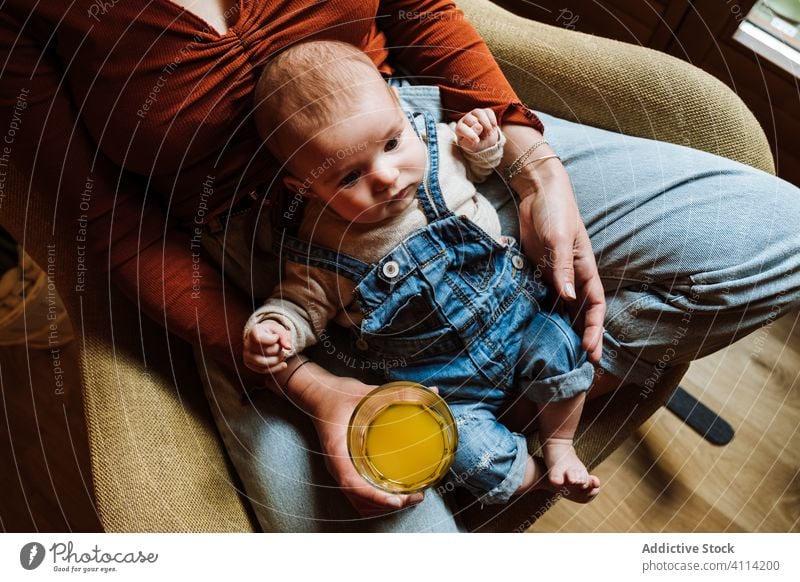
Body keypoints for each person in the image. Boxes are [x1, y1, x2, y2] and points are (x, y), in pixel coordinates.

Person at [2, 1, 799, 532]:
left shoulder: (419, 153)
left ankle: (528, 405)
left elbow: (418, 11)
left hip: (440, 159)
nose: (374, 186)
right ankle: (478, 442)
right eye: (349, 177)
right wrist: (306, 380)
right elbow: (109, 224)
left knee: (780, 238)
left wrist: (533, 166)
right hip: (256, 271)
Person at [244, 40, 600, 505]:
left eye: (392, 144)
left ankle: (559, 446)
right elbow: (297, 305)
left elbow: (481, 165)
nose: (388, 176)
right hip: (448, 392)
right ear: (304, 187)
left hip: (520, 321)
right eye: (350, 176)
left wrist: (483, 142)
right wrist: (275, 328)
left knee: (560, 343)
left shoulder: (436, 149)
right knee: (464, 452)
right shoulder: (320, 251)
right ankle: (532, 477)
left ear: (399, 109)